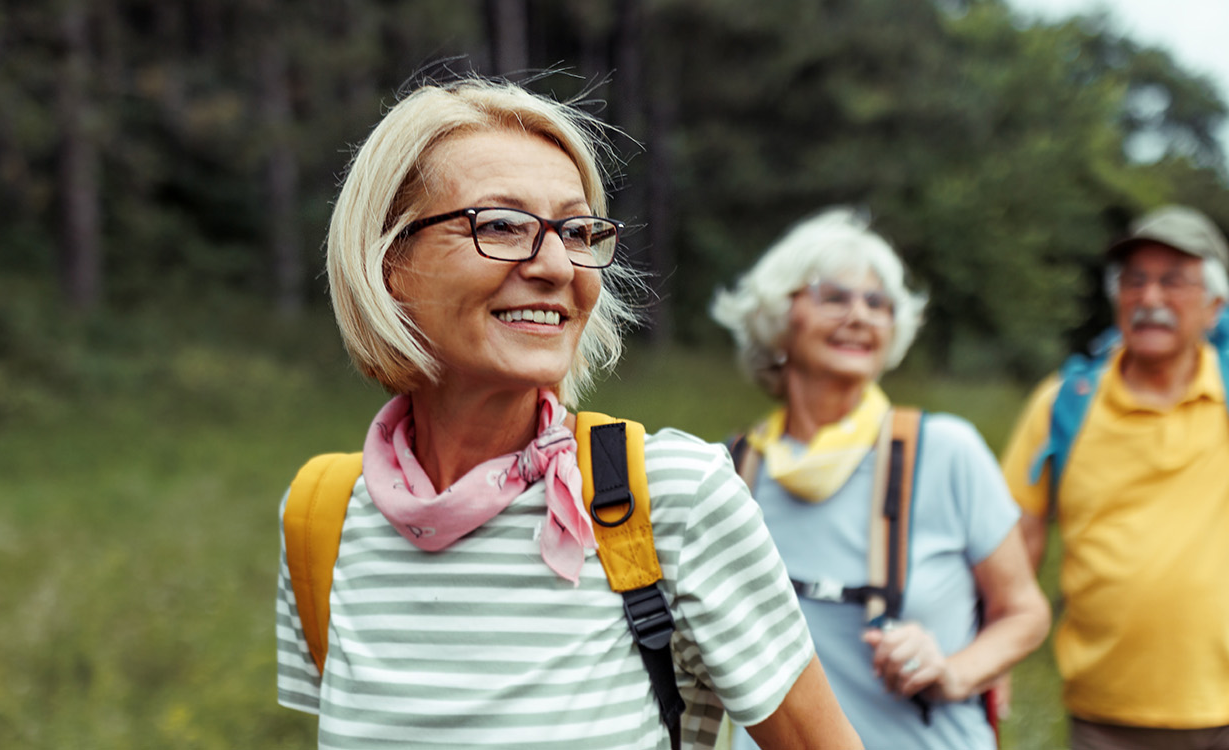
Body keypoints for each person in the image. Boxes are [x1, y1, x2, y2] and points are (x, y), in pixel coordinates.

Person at [272, 77, 859, 749]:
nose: (556, 264)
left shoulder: (672, 496)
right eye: (500, 225)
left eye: (576, 231)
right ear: (390, 263)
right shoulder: (322, 516)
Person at [709, 208, 1050, 750]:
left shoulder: (946, 452)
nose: (860, 315)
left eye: (877, 303)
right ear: (777, 318)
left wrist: (953, 671)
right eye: (834, 297)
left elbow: (1025, 612)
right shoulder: (731, 471)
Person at [997, 205, 1229, 749]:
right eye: (1135, 281)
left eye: (1174, 282)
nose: (1150, 300)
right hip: (1110, 713)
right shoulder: (1062, 403)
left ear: (1215, 305)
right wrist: (997, 651)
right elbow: (1019, 538)